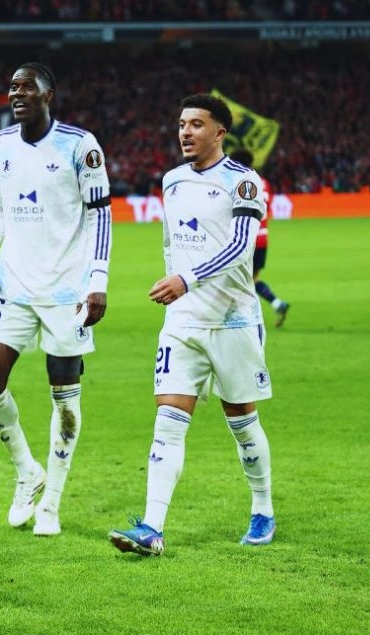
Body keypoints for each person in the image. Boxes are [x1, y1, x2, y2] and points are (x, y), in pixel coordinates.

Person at [109, 94, 274, 556]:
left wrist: (188, 278)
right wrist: (177, 291)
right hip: (183, 322)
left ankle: (262, 509)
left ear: (219, 132)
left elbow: (242, 248)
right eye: (182, 123)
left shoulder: (243, 183)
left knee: (242, 423)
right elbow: (171, 243)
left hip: (233, 321)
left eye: (196, 124)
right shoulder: (173, 181)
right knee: (167, 422)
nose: (185, 132)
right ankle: (152, 528)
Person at [0, 62, 112, 536]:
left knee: (65, 398)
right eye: (11, 86)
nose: (16, 93)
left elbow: (100, 217)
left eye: (26, 87)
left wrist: (98, 279)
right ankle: (28, 471)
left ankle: (51, 502)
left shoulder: (79, 145)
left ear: (48, 94)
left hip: (67, 291)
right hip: (13, 285)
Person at [229, 148, 290, 327]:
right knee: (251, 278)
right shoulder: (262, 182)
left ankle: (242, 317)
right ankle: (276, 304)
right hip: (263, 237)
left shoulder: (237, 181)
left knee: (235, 277)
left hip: (245, 238)